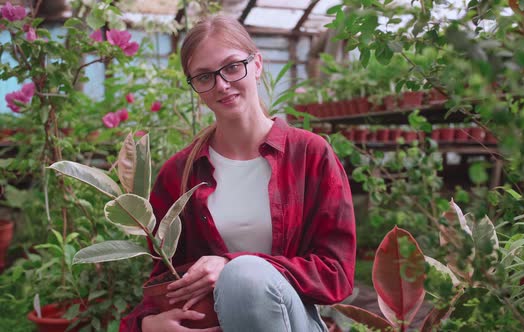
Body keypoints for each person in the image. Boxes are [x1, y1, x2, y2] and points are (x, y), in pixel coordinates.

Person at [120, 14, 356, 332]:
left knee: (244, 276)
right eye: (204, 76)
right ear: (194, 87)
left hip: (295, 321)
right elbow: (165, 280)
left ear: (257, 64)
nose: (222, 84)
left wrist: (231, 264)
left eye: (232, 66)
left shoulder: (309, 155)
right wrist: (148, 324)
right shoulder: (179, 174)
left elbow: (336, 273)